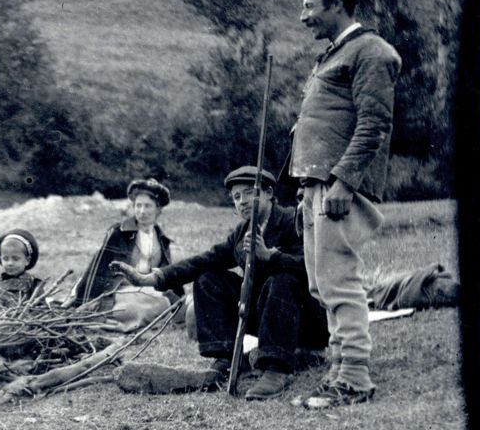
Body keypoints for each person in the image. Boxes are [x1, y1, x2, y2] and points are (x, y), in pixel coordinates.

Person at [111, 166, 327, 400]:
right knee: (208, 279)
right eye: (236, 197)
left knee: (281, 280)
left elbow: (316, 265)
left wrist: (272, 257)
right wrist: (153, 278)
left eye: (249, 193)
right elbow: (203, 260)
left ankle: (276, 369)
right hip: (267, 315)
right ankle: (228, 357)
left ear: (268, 192)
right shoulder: (243, 231)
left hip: (306, 320)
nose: (242, 201)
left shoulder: (292, 220)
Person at [289, 0, 399, 409]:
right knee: (321, 285)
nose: (303, 17)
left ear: (337, 4)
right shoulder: (335, 54)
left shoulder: (371, 52)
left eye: (310, 6)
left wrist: (342, 181)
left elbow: (374, 125)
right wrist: (307, 187)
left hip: (340, 187)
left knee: (339, 281)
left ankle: (354, 376)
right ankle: (338, 371)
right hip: (319, 186)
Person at [68, 177, 180, 331]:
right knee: (139, 308)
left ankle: (141, 317)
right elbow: (97, 269)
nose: (142, 211)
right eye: (138, 206)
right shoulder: (118, 233)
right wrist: (85, 302)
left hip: (149, 291)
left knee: (168, 303)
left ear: (158, 209)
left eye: (148, 206)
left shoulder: (162, 239)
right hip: (118, 291)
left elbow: (166, 276)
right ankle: (130, 319)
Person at [0, 229, 43, 308]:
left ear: (27, 260)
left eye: (15, 259)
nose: (10, 263)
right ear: (0, 259)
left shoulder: (33, 284)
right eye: (6, 259)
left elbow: (41, 309)